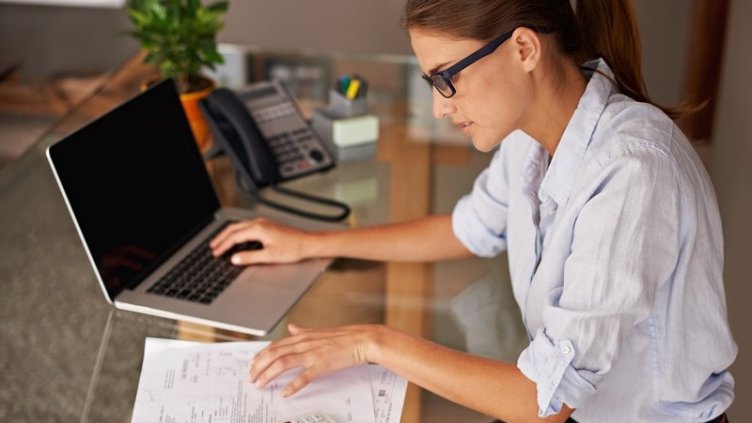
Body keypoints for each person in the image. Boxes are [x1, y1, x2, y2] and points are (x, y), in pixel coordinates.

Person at [210, 0, 737, 421]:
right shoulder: (530, 136)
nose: (441, 105)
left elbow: (542, 402)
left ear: (524, 48)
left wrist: (373, 342)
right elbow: (467, 229)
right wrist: (309, 244)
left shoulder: (632, 173)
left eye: (447, 77)